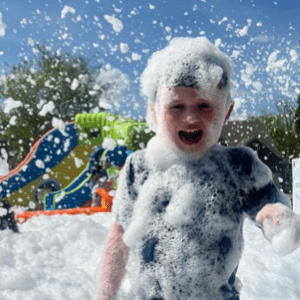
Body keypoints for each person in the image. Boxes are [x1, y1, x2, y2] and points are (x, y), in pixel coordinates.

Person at [94, 37, 299, 300]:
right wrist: (104, 295)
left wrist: (276, 217)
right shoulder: (140, 167)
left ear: (226, 112)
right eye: (176, 106)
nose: (190, 118)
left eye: (204, 105)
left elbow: (269, 210)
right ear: (154, 111)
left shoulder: (238, 165)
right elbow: (120, 235)